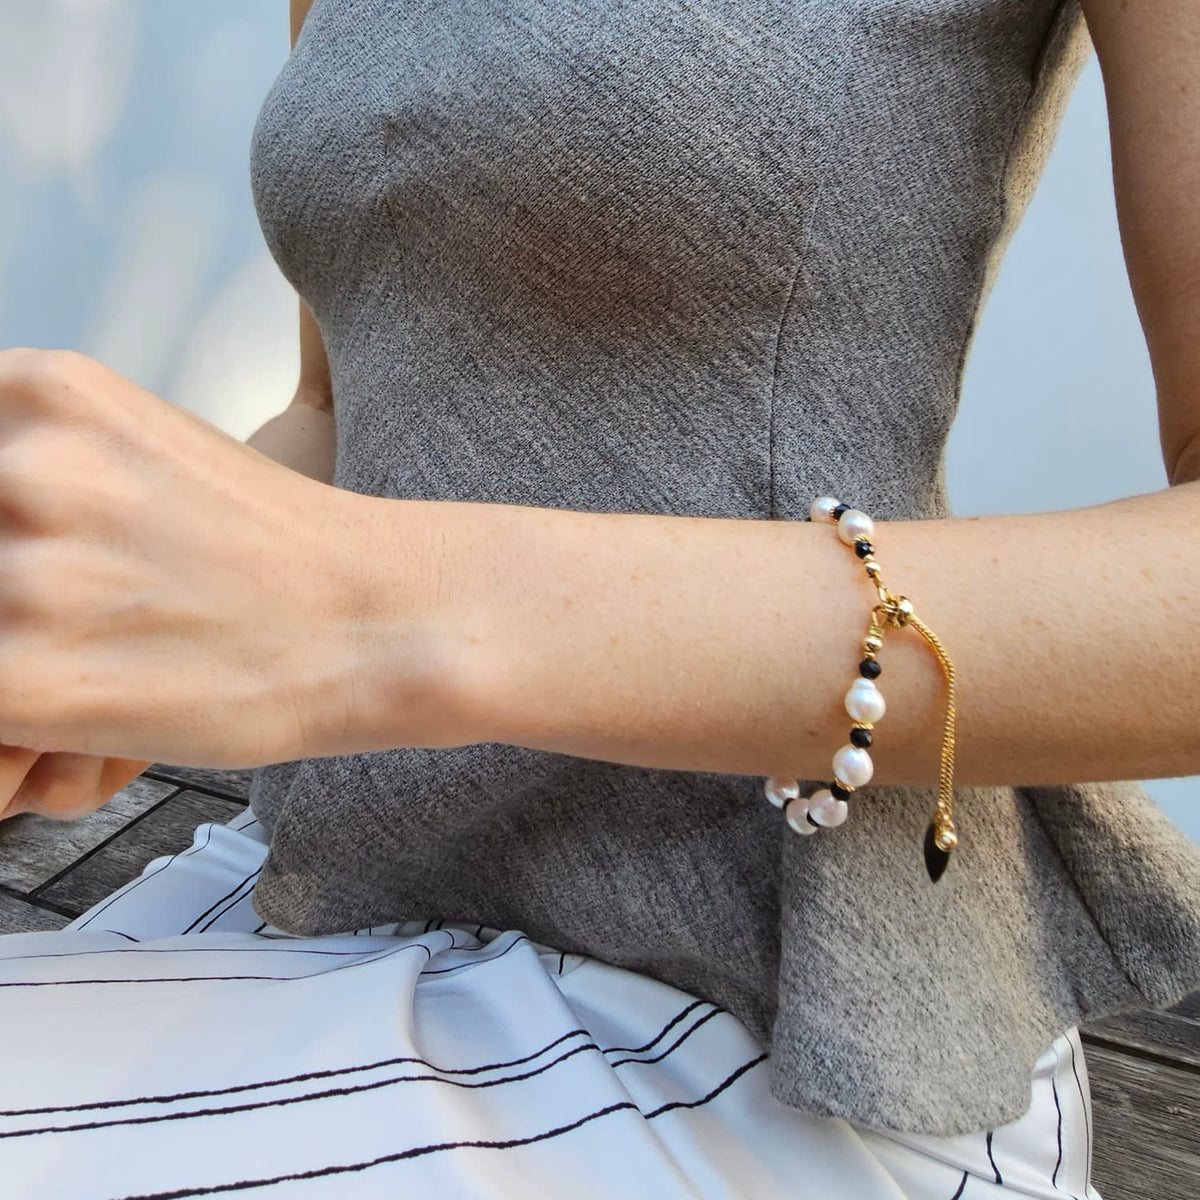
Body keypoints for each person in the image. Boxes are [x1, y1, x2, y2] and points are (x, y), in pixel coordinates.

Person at [0, 0, 1197, 1195]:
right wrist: (95, 634)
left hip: (772, 1010)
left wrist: (375, 610)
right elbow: (333, 414)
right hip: (332, 883)